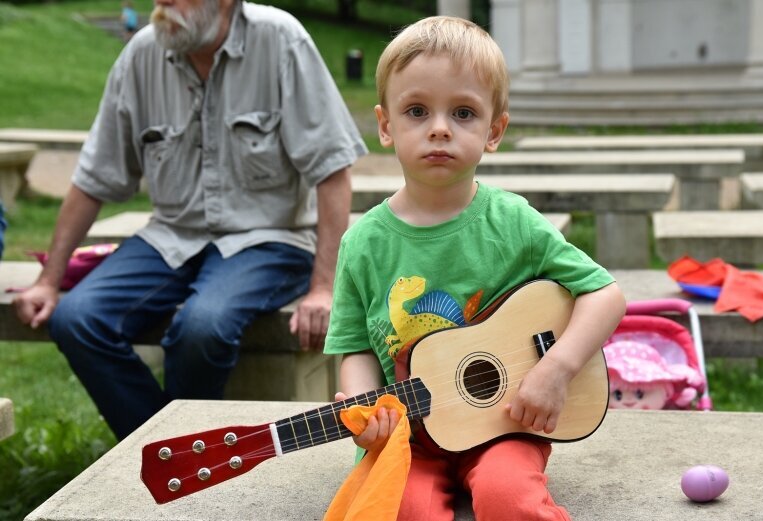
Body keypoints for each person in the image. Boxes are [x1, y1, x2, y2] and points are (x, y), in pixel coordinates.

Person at [13, 0, 366, 441]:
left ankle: (169, 464)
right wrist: (49, 280)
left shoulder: (281, 39)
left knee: (202, 326)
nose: (163, 3)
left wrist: (323, 288)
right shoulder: (142, 53)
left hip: (270, 238)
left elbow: (333, 172)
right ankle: (168, 454)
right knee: (76, 319)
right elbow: (94, 178)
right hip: (171, 237)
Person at [323, 16, 625, 520]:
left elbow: (606, 295)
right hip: (409, 437)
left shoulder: (513, 222)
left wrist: (556, 368)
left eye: (463, 112)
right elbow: (353, 347)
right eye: (416, 110)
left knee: (509, 500)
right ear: (385, 126)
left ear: (494, 130)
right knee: (401, 511)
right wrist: (362, 409)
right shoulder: (363, 243)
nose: (439, 127)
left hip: (503, 427)